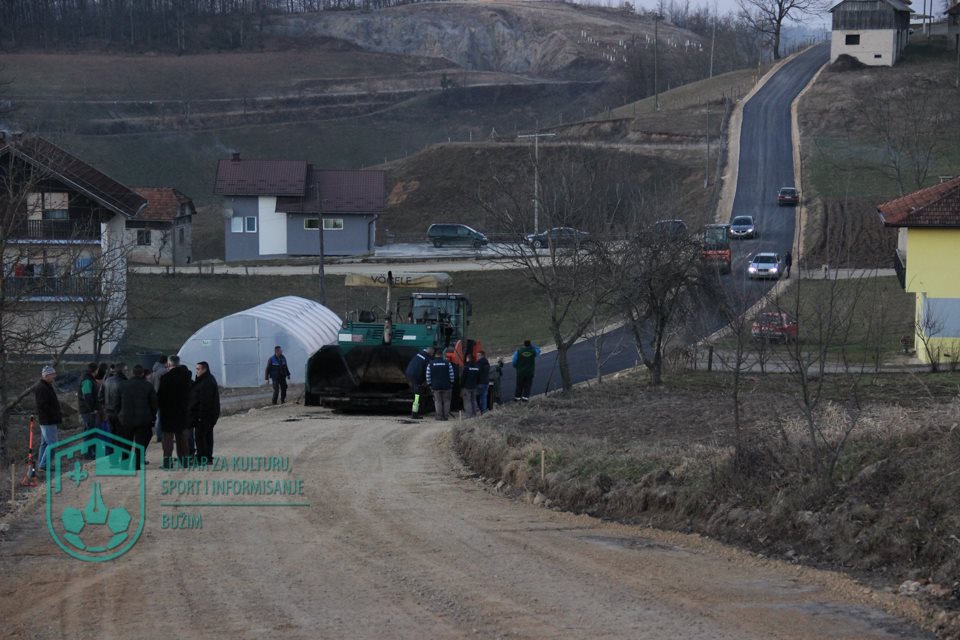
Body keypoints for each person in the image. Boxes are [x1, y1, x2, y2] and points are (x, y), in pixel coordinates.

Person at [119, 364, 158, 470]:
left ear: (132, 373)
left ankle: (124, 464)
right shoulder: (148, 386)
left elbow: (117, 401)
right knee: (140, 443)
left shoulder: (123, 385)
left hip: (126, 419)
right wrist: (153, 417)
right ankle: (136, 465)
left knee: (126, 442)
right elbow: (154, 404)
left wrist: (120, 414)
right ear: (142, 374)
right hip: (143, 420)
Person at [158, 355, 192, 469]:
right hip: (183, 410)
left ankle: (167, 462)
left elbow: (160, 396)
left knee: (167, 438)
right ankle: (185, 461)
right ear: (178, 363)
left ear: (169, 364)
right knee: (182, 437)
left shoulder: (165, 378)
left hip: (168, 411)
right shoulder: (187, 376)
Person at [189, 361, 220, 464]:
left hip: (204, 416)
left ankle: (202, 458)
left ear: (204, 369)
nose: (196, 371)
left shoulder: (207, 382)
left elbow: (205, 401)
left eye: (198, 369)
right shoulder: (204, 379)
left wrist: (200, 416)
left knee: (201, 437)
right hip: (205, 415)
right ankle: (207, 458)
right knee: (206, 437)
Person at [34, 366, 62, 473]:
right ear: (46, 375)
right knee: (52, 443)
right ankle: (44, 464)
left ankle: (42, 464)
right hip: (48, 420)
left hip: (47, 420)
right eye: (52, 374)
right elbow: (42, 405)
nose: (54, 376)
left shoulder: (46, 386)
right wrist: (54, 413)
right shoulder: (42, 387)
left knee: (45, 444)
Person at [76, 362, 99, 460]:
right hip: (88, 411)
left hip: (87, 409)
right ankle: (87, 453)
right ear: (95, 370)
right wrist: (92, 409)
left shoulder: (87, 378)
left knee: (90, 431)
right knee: (89, 432)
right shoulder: (86, 380)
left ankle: (92, 452)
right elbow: (87, 396)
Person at [404, 346, 434, 419]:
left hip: (408, 374)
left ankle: (415, 412)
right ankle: (415, 414)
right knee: (417, 396)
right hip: (416, 378)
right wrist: (427, 382)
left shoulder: (418, 354)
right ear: (430, 352)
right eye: (432, 353)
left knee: (416, 393)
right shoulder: (428, 359)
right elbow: (427, 372)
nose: (432, 355)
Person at [101, 363, 128, 438]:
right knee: (120, 436)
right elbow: (126, 400)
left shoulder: (107, 381)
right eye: (126, 370)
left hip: (108, 412)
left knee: (111, 435)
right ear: (122, 371)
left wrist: (105, 407)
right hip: (119, 414)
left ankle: (111, 449)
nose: (127, 372)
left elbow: (100, 396)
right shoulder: (124, 383)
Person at [425, 350, 454, 421]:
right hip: (446, 386)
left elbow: (428, 376)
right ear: (442, 355)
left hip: (435, 386)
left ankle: (439, 416)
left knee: (437, 401)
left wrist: (429, 384)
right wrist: (451, 383)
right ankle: (446, 416)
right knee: (446, 401)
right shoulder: (447, 363)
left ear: (435, 355)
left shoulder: (431, 364)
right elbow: (452, 375)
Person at [151, 355, 168, 442]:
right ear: (165, 362)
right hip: (163, 396)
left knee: (158, 417)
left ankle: (158, 435)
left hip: (155, 396)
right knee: (163, 417)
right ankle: (164, 435)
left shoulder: (154, 370)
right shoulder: (164, 371)